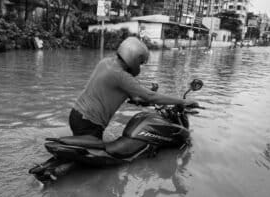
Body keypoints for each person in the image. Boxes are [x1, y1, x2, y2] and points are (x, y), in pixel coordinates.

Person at [69, 37, 198, 140]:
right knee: (94, 165)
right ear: (134, 59)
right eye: (140, 63)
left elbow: (133, 95)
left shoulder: (106, 62)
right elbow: (150, 96)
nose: (140, 67)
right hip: (89, 122)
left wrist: (144, 96)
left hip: (77, 114)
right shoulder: (121, 76)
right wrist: (183, 101)